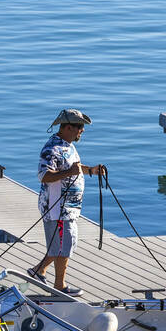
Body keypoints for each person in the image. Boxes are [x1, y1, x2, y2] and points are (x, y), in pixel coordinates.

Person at [28, 109, 106, 296]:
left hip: (69, 208)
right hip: (57, 208)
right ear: (67, 127)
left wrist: (92, 170)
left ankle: (39, 271)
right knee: (64, 246)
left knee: (62, 245)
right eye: (79, 127)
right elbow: (44, 175)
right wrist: (70, 173)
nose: (82, 131)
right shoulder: (52, 148)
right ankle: (59, 286)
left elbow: (74, 169)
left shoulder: (68, 146)